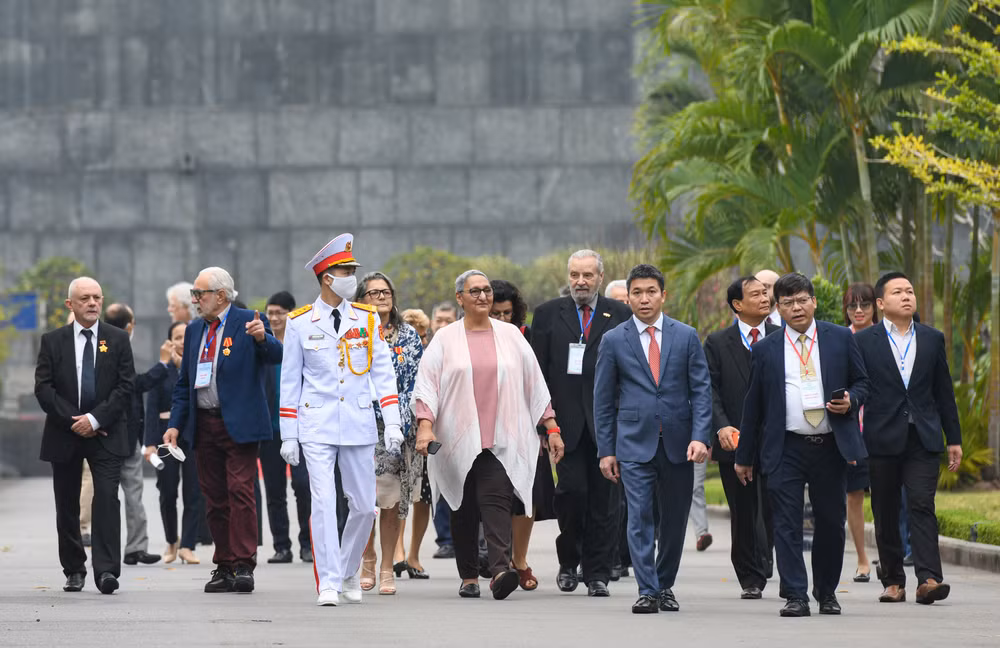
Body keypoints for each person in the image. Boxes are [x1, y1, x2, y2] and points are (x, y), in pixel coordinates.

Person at [414, 270, 565, 601]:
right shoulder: (445, 339)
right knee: (464, 506)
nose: (482, 296)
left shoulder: (510, 335)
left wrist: (551, 426)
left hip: (501, 436)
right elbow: (427, 386)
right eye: (474, 291)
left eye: (486, 291)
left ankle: (499, 571)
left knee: (496, 501)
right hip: (456, 437)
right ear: (460, 298)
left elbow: (534, 384)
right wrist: (425, 425)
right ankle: (469, 575)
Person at [278, 234, 403, 607]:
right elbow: (290, 381)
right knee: (323, 501)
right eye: (346, 270)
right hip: (315, 423)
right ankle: (328, 581)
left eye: (352, 269)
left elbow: (382, 372)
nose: (352, 276)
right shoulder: (300, 322)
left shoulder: (364, 319)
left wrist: (393, 421)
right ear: (326, 277)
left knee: (364, 505)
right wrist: (289, 434)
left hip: (358, 422)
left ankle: (348, 570)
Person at [736, 272, 869, 617]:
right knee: (786, 523)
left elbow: (864, 382)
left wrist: (852, 400)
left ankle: (826, 592)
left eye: (802, 300)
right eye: (788, 303)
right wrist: (745, 456)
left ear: (813, 301)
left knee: (829, 521)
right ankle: (795, 594)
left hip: (829, 445)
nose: (796, 307)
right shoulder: (765, 348)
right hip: (786, 447)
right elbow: (754, 406)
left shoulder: (839, 338)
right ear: (777, 309)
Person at [594, 264, 712, 614]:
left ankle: (664, 585)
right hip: (633, 443)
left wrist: (701, 437)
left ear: (664, 295)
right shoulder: (614, 339)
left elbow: (702, 391)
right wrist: (606, 450)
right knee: (640, 517)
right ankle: (647, 590)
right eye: (637, 293)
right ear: (628, 297)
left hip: (679, 443)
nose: (644, 299)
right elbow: (603, 400)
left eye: (651, 292)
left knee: (674, 522)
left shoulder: (686, 335)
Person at [164, 267, 282, 594]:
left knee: (240, 491)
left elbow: (276, 355)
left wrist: (262, 337)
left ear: (219, 295)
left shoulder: (249, 319)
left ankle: (244, 563)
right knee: (214, 497)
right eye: (194, 295)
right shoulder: (193, 330)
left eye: (199, 294)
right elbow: (184, 383)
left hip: (239, 423)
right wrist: (175, 424)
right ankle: (224, 565)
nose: (195, 300)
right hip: (203, 424)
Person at [855, 272, 962, 605]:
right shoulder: (863, 341)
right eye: (898, 292)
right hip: (881, 437)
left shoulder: (932, 338)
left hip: (923, 437)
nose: (906, 296)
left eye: (910, 291)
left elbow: (944, 392)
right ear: (881, 303)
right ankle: (892, 581)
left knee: (921, 504)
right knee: (885, 509)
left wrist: (953, 438)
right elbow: (858, 386)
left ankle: (928, 578)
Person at [531, 250, 632, 596]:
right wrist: (545, 425)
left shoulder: (620, 314)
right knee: (571, 495)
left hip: (609, 425)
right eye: (575, 274)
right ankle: (567, 560)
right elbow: (538, 375)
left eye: (588, 275)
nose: (580, 282)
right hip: (564, 426)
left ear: (600, 278)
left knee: (606, 503)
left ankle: (598, 573)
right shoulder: (547, 315)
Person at [35, 277, 135, 594]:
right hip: (65, 433)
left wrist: (95, 419)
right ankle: (74, 568)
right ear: (71, 305)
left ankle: (106, 571)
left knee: (106, 499)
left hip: (105, 432)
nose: (92, 303)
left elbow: (125, 386)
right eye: (84, 299)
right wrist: (73, 420)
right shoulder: (53, 340)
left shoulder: (117, 339)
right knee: (67, 504)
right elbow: (43, 388)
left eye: (96, 298)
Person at [703, 276, 777, 599]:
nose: (765, 298)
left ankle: (767, 558)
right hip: (734, 438)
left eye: (766, 292)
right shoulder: (718, 343)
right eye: (756, 294)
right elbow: (710, 391)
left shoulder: (781, 336)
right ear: (737, 304)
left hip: (776, 438)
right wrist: (720, 427)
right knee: (743, 509)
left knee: (774, 505)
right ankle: (749, 575)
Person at [354, 271, 425, 593]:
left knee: (393, 501)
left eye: (386, 292)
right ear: (361, 299)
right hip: (362, 425)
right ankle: (367, 557)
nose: (382, 297)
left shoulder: (408, 335)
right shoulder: (354, 333)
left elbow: (416, 379)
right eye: (373, 293)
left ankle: (386, 566)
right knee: (367, 498)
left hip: (399, 428)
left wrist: (405, 419)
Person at [489, 278, 556, 592]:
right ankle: (498, 562)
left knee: (527, 497)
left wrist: (546, 428)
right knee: (495, 498)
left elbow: (540, 385)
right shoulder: (473, 339)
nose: (502, 319)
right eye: (496, 313)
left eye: (507, 313)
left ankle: (520, 559)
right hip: (489, 431)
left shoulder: (527, 338)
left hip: (528, 431)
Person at [103, 303, 168, 567]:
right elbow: (134, 385)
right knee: (131, 493)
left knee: (112, 496)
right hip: (122, 434)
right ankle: (134, 547)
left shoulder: (99, 347)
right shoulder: (119, 348)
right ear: (129, 326)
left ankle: (129, 547)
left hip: (107, 434)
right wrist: (163, 365)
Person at [259, 291, 312, 564]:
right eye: (271, 313)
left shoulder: (301, 342)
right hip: (269, 429)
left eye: (280, 312)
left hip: (300, 427)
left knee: (303, 486)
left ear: (292, 314)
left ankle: (308, 543)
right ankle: (281, 546)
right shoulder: (262, 345)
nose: (275, 318)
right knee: (274, 489)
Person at [144, 321, 202, 565]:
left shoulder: (199, 367)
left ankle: (188, 545)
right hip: (166, 439)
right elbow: (151, 409)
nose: (181, 341)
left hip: (193, 436)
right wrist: (149, 443)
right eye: (176, 337)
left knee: (194, 492)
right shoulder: (161, 370)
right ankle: (171, 541)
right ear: (169, 342)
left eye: (184, 336)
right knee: (167, 492)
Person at [842, 283, 878, 582]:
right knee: (854, 494)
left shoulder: (886, 338)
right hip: (852, 430)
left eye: (864, 305)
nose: (858, 311)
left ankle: (891, 554)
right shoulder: (841, 339)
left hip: (884, 429)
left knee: (888, 495)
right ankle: (862, 559)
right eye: (852, 306)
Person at [428, 301, 458, 560]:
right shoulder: (426, 351)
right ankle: (445, 539)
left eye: (448, 320)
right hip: (433, 428)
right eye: (439, 319)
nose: (443, 325)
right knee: (438, 484)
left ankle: (472, 539)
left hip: (461, 426)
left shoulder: (462, 349)